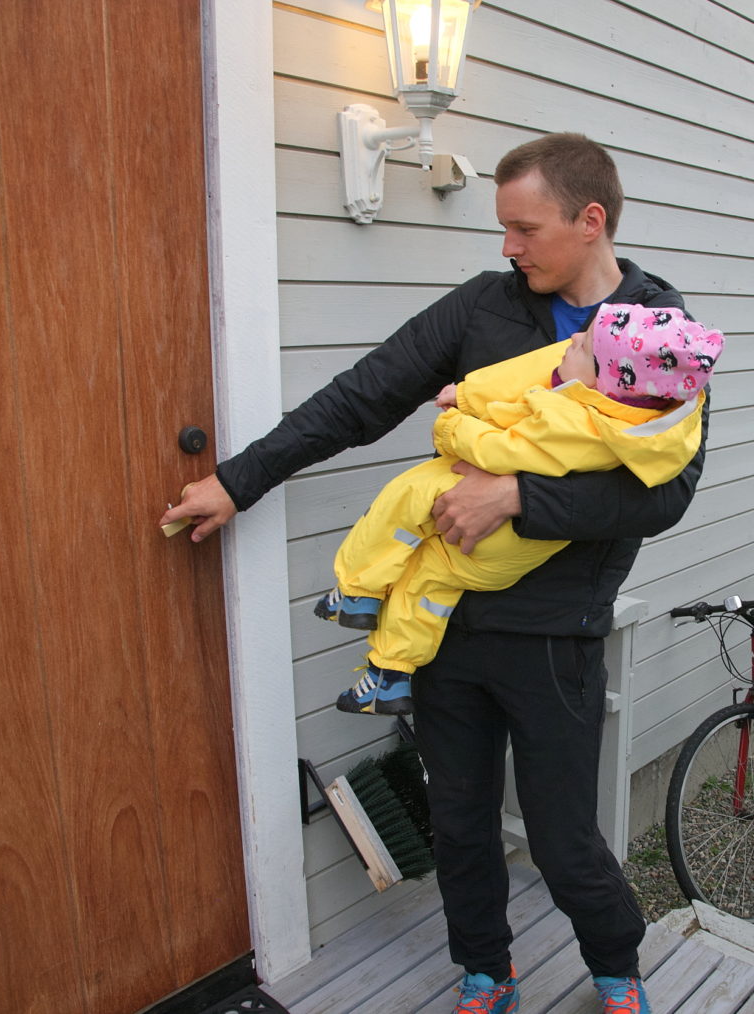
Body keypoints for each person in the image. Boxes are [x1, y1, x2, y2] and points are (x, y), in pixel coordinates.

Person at [158, 133, 687, 1014]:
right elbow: (363, 397)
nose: (508, 248)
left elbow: (665, 495)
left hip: (553, 634)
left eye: (524, 228)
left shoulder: (659, 333)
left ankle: (616, 969)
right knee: (460, 820)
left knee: (561, 836)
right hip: (440, 622)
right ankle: (484, 971)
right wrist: (236, 481)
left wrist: (515, 497)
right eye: (502, 231)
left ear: (589, 221)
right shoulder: (485, 308)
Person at [318, 303, 722, 717]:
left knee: (403, 497)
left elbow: (501, 450)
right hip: (511, 551)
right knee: (428, 581)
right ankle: (389, 674)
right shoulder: (641, 410)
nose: (573, 341)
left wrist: (452, 427)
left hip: (503, 527)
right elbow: (537, 371)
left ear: (607, 382)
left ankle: (356, 590)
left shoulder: (579, 425)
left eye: (583, 345)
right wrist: (472, 392)